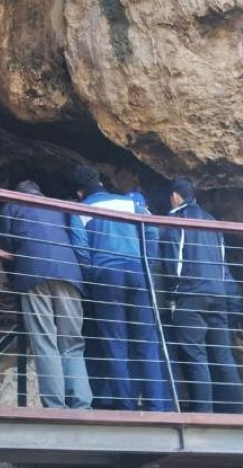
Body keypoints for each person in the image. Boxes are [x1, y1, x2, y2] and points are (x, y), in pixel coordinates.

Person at [69, 166, 171, 411]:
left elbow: (81, 249)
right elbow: (152, 230)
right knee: (147, 341)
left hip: (106, 275)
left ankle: (126, 407)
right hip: (138, 272)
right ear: (101, 184)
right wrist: (146, 261)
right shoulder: (129, 202)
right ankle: (157, 406)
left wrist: (92, 274)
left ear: (80, 192)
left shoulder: (80, 209)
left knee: (116, 342)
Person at [0, 180, 92, 409]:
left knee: (45, 341)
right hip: (70, 275)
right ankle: (82, 405)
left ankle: (55, 406)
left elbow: (6, 242)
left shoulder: (13, 207)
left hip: (34, 274)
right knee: (72, 343)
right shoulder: (57, 206)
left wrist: (13, 277)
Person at [160, 178, 243, 413]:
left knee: (196, 355)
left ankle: (203, 412)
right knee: (223, 355)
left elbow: (173, 260)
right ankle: (235, 411)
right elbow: (222, 262)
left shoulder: (177, 219)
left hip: (190, 292)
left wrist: (172, 294)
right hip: (218, 293)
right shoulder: (211, 221)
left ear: (175, 196)